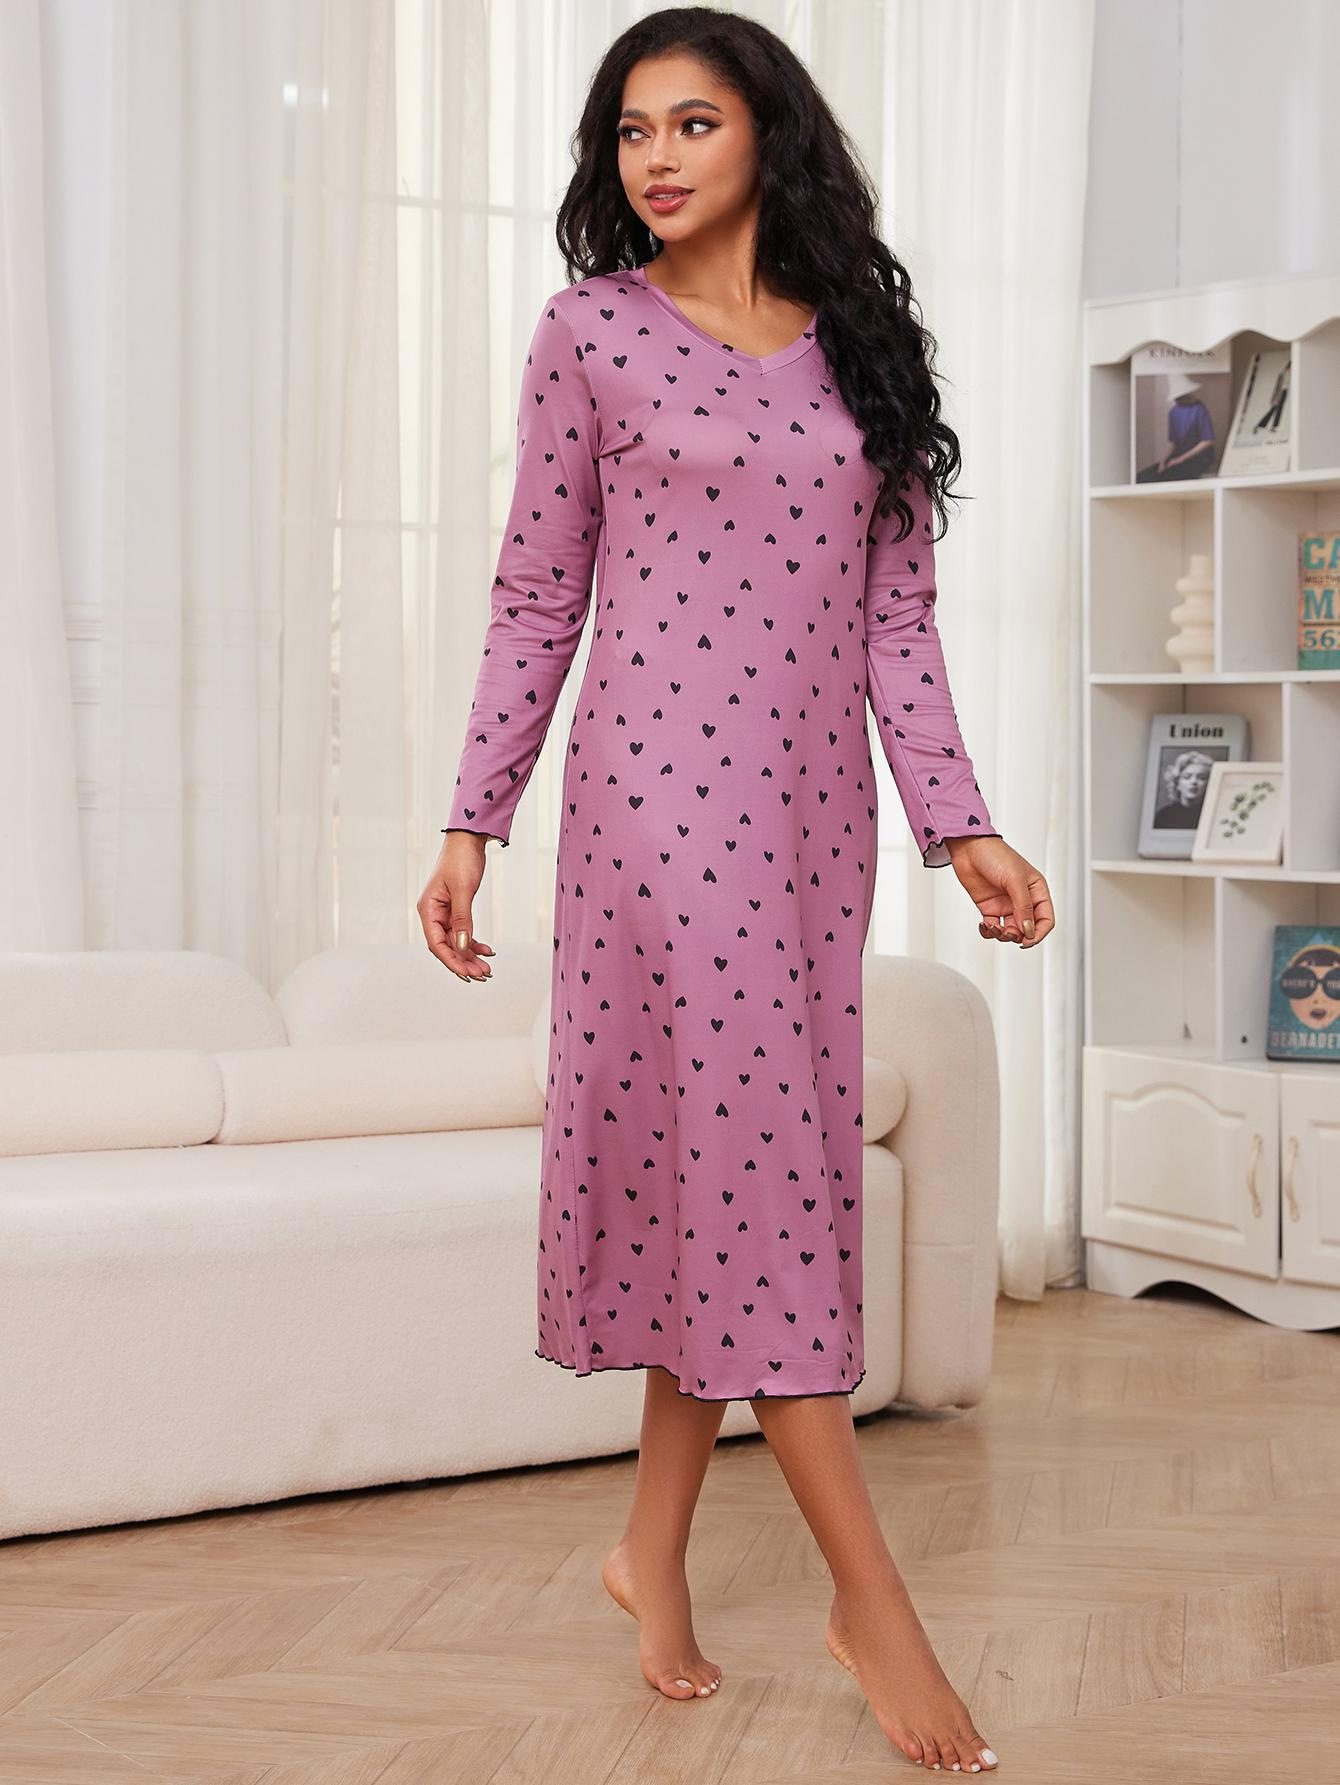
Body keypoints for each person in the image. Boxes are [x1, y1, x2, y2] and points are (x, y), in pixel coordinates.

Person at [419, 8, 1053, 1773]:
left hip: (806, 822)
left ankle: (650, 1550)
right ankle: (871, 1595)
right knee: (767, 1168)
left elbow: (896, 624)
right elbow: (537, 591)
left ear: (770, 135)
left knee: (725, 1168)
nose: (658, 158)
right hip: (650, 812)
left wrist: (964, 827)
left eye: (693, 123)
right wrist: (474, 817)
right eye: (632, 131)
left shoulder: (862, 352)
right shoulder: (591, 335)